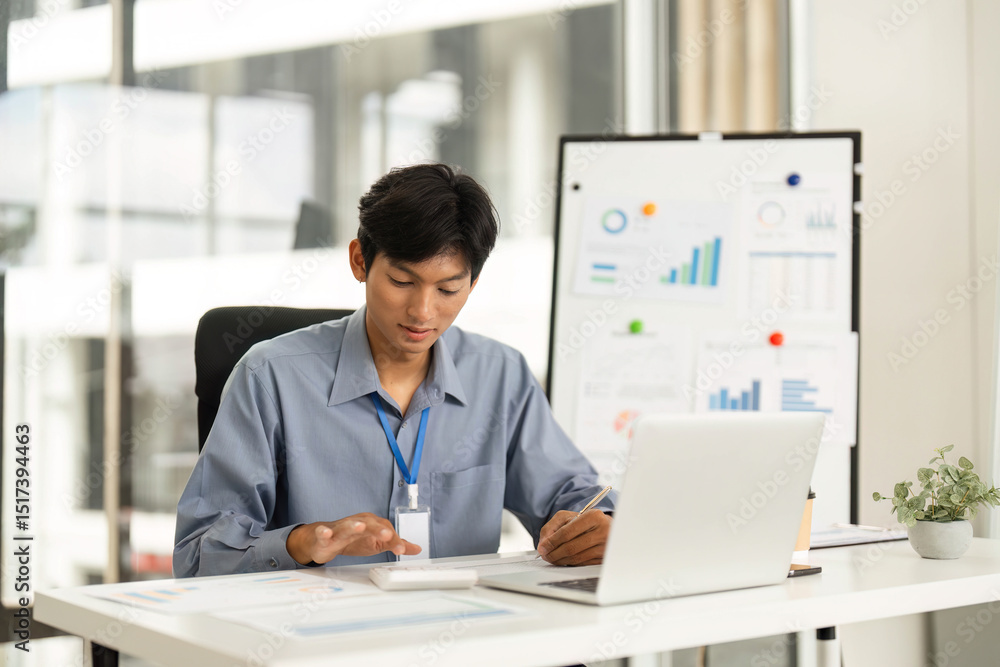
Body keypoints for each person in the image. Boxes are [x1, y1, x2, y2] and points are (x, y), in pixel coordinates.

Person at [173, 163, 614, 577]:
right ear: (360, 262)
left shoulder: (501, 376)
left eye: (448, 288)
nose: (423, 311)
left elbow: (574, 496)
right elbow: (196, 553)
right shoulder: (270, 377)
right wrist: (301, 543)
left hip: (465, 636)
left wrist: (597, 527)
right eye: (402, 282)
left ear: (472, 284)